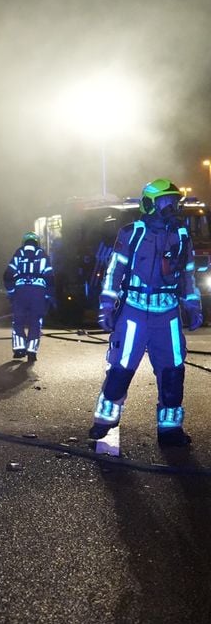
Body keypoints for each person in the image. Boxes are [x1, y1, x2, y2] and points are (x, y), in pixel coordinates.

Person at [89, 178, 204, 448]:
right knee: (121, 368)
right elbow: (114, 271)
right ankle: (104, 421)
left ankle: (170, 430)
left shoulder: (181, 235)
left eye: (174, 202)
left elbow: (188, 275)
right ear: (150, 204)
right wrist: (107, 306)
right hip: (134, 313)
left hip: (168, 315)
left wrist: (193, 305)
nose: (172, 207)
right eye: (166, 201)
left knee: (173, 372)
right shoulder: (132, 233)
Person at [3, 232, 53, 362]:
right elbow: (50, 277)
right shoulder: (43, 255)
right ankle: (32, 351)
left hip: (21, 291)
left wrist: (11, 292)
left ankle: (19, 349)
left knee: (18, 321)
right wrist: (48, 296)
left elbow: (8, 274)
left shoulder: (19, 254)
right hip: (38, 292)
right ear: (37, 242)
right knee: (35, 321)